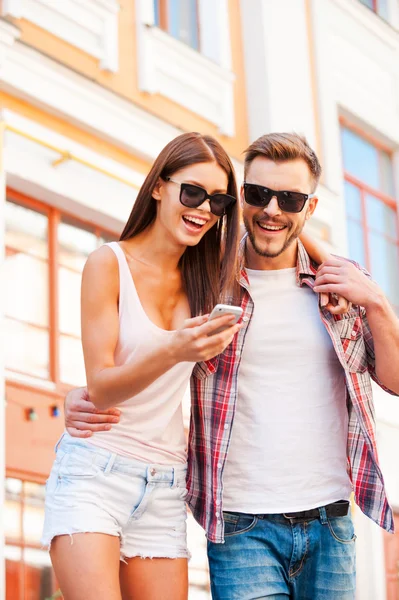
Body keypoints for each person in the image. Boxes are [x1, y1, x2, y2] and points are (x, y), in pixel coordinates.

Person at [65, 133, 398, 600]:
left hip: (330, 518)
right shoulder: (209, 281)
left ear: (310, 205)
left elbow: (394, 379)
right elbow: (140, 339)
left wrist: (377, 300)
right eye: (258, 195)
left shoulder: (337, 284)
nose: (272, 210)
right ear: (242, 198)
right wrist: (80, 394)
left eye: (291, 198)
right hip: (240, 526)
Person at [42, 131, 244, 600]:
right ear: (158, 186)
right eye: (192, 192)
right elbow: (104, 387)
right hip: (95, 470)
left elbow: (283, 233)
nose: (203, 210)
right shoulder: (107, 264)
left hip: (165, 484)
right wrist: (175, 349)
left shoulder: (211, 282)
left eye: (218, 202)